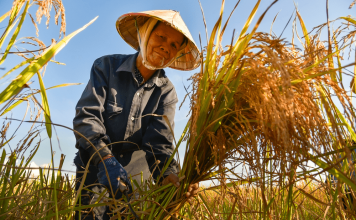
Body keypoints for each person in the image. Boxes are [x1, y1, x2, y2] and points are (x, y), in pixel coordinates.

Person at [73, 10, 200, 219]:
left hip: (135, 181)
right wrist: (105, 159)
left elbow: (159, 144)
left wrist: (171, 176)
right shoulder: (105, 67)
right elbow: (87, 118)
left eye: (174, 45)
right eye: (161, 37)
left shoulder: (166, 93)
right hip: (95, 169)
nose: (165, 47)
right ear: (146, 33)